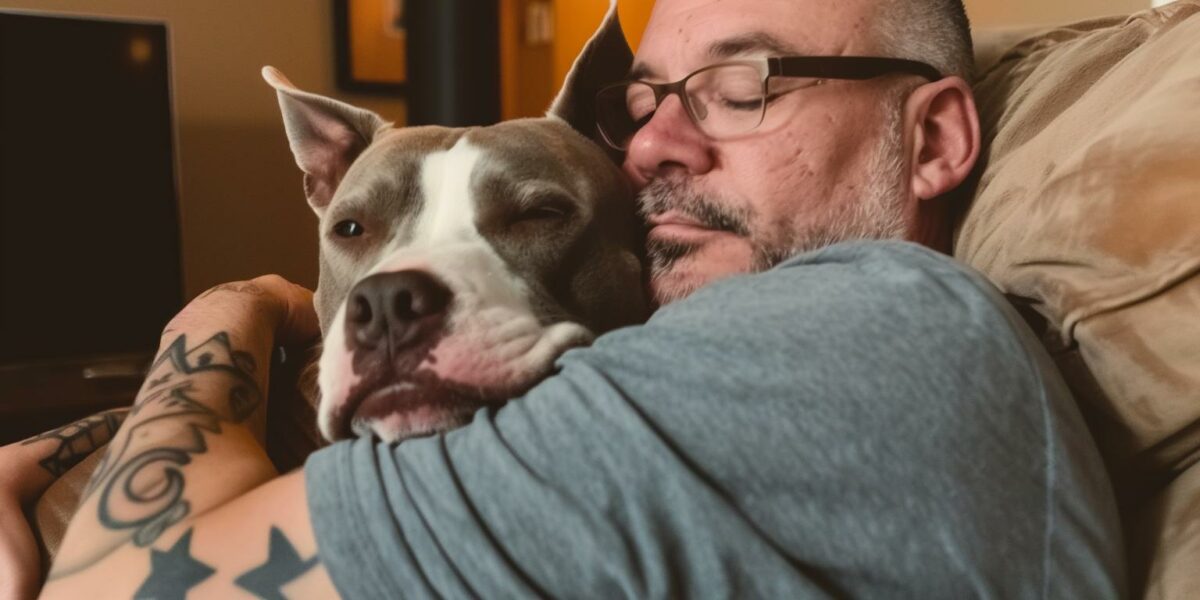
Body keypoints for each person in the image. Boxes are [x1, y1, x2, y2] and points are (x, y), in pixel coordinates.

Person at [6, 0, 1127, 597]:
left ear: (930, 138)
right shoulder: (660, 357)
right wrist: (62, 451)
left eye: (745, 87)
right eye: (645, 104)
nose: (654, 148)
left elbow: (126, 590)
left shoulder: (874, 333)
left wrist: (234, 299)